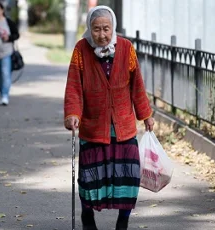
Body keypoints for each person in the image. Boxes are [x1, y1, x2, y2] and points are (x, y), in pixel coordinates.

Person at [63, 5, 155, 230]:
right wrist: (72, 114)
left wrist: (146, 115)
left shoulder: (126, 48)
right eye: (96, 29)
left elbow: (137, 86)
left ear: (113, 28)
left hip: (123, 125)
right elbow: (74, 86)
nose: (101, 34)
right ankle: (87, 217)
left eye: (106, 29)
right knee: (89, 178)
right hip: (93, 126)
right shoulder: (80, 50)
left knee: (129, 177)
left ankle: (122, 222)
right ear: (89, 29)